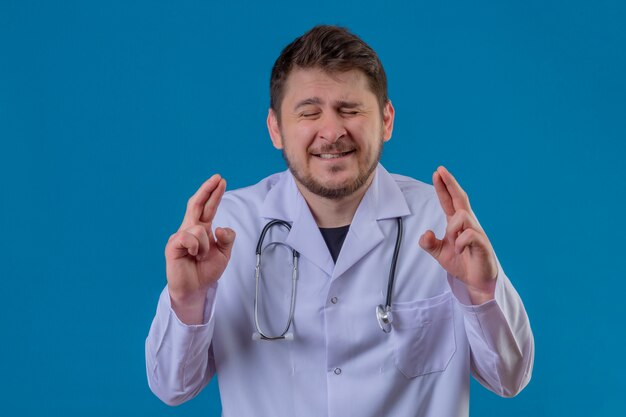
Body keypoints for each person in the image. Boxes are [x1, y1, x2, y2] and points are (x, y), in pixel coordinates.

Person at [145, 25, 534, 416]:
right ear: (276, 128)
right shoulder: (228, 230)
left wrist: (484, 292)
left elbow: (509, 378)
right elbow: (172, 387)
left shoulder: (440, 221)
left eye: (350, 110)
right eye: (309, 113)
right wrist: (187, 300)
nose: (331, 132)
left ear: (386, 120)